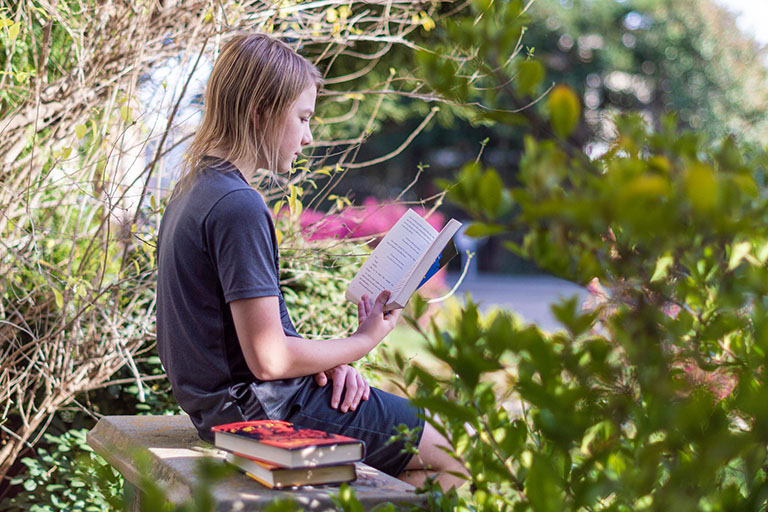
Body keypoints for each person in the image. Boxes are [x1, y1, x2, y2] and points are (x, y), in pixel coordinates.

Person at [156, 32, 465, 489]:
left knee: (407, 468)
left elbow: (241, 341)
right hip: (263, 411)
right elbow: (269, 360)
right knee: (455, 458)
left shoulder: (194, 191)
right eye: (302, 118)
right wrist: (364, 339)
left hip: (225, 408)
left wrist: (324, 363)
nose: (308, 136)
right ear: (262, 109)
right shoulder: (238, 206)